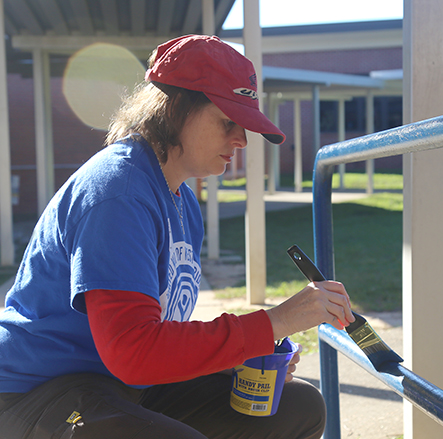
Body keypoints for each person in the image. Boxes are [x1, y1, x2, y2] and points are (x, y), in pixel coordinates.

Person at [0, 35, 354, 439]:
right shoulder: (120, 192)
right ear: (175, 108)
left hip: (121, 384)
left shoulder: (181, 198)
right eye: (228, 122)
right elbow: (134, 351)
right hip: (36, 394)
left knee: (298, 408)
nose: (241, 140)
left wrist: (238, 355)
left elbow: (155, 335)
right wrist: (274, 321)